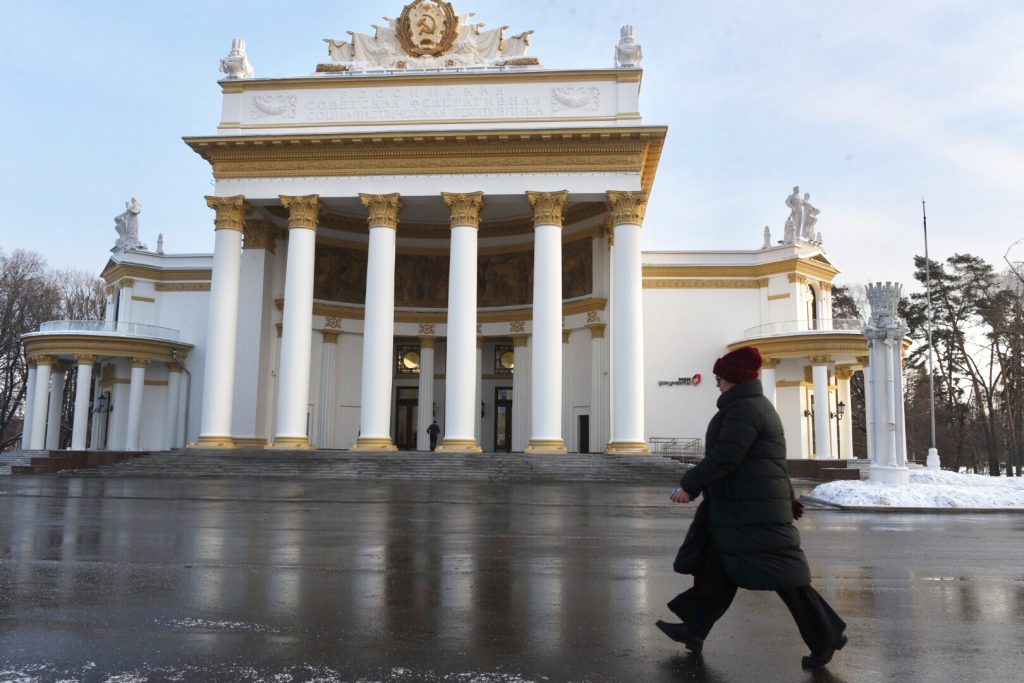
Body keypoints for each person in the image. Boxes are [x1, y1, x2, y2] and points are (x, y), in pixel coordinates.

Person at [656, 346, 848, 669]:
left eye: (720, 377)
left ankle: (826, 635)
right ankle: (694, 629)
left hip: (750, 513)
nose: (716, 383)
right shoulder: (753, 407)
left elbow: (726, 458)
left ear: (734, 379)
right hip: (741, 510)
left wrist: (690, 485)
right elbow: (773, 463)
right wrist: (787, 497)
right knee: (718, 570)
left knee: (787, 580)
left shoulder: (744, 410)